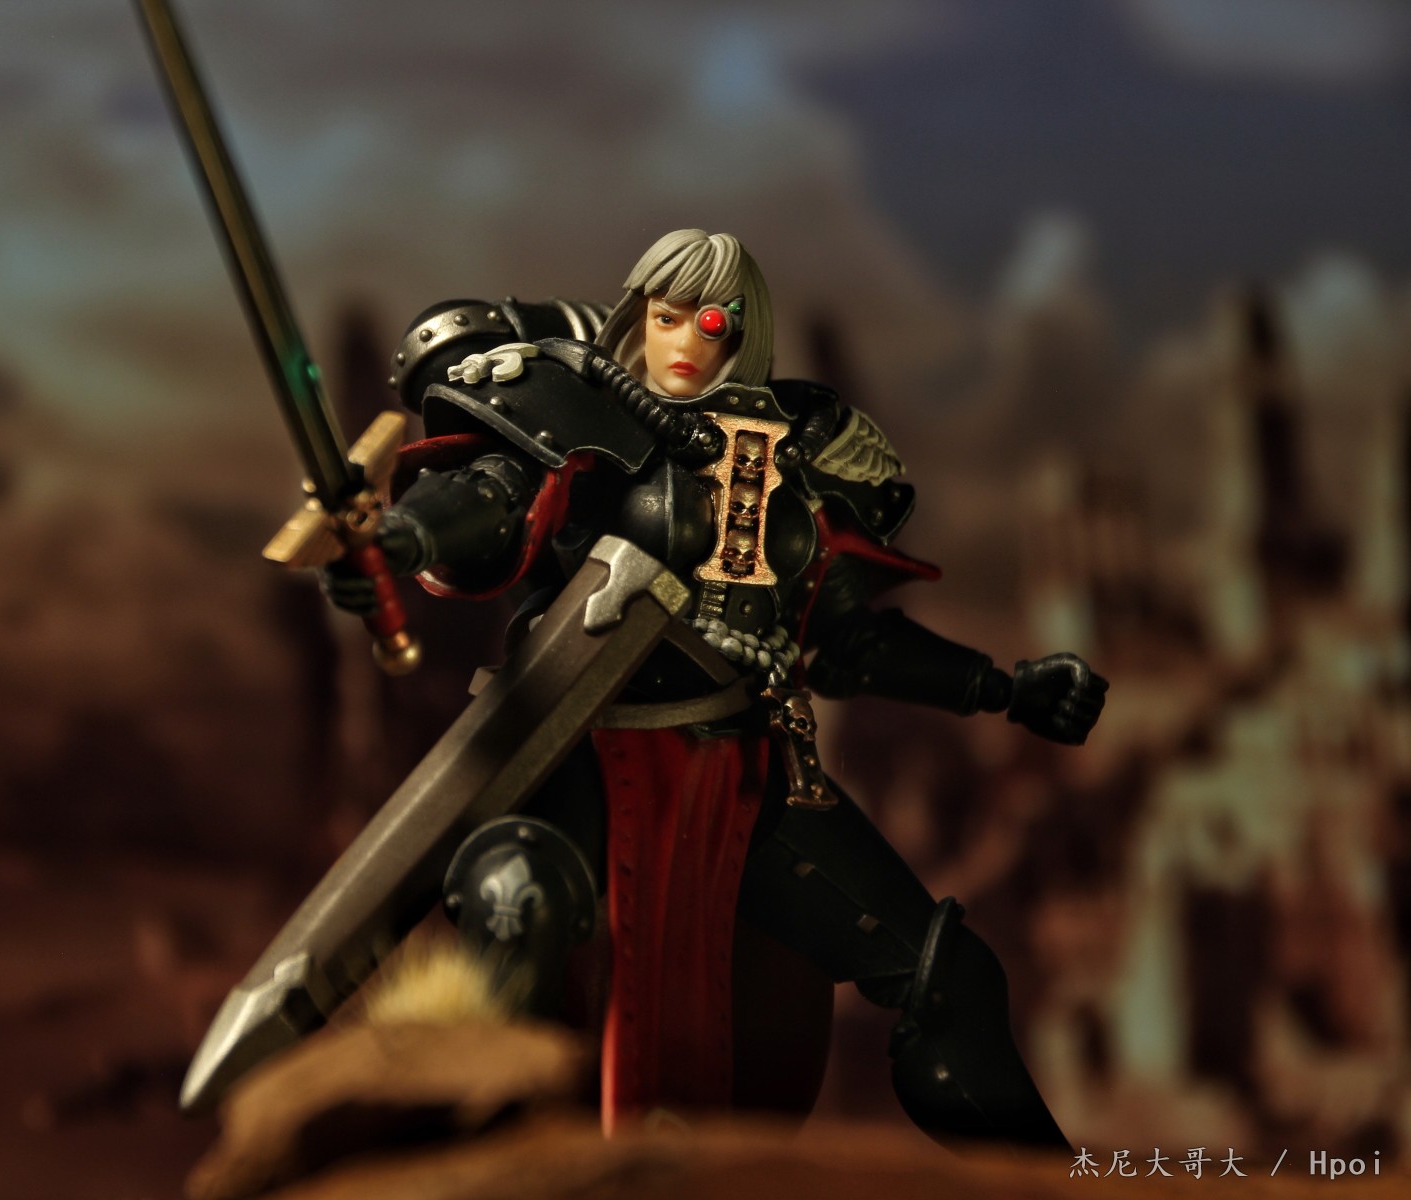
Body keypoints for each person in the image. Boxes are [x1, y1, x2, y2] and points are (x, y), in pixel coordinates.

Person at [323, 229, 1106, 1147]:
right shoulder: (573, 409)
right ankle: (497, 1156)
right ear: (636, 318)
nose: (689, 340)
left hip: (742, 765)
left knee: (952, 981)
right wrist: (404, 540)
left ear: (747, 333)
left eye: (714, 323)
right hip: (581, 747)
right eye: (668, 316)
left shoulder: (796, 450)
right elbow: (489, 501)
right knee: (515, 895)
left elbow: (847, 643)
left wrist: (1003, 688)